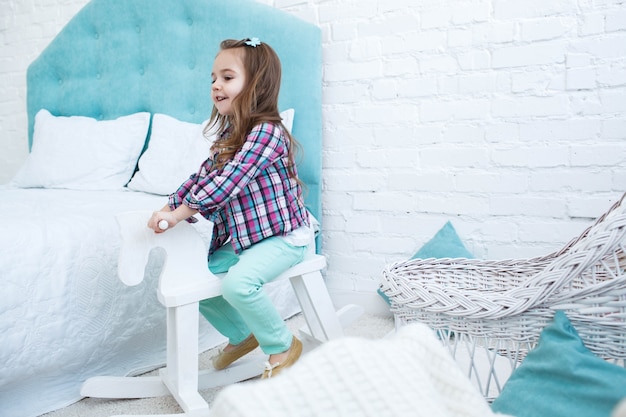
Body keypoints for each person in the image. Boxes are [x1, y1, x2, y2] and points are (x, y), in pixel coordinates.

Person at [147, 38, 312, 379]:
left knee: (238, 284)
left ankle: (282, 344)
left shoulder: (267, 133)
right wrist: (168, 207)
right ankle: (242, 334)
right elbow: (201, 178)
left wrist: (180, 215)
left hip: (285, 238)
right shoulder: (229, 136)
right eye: (213, 79)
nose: (216, 85)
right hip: (248, 241)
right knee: (194, 272)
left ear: (256, 84)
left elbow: (230, 182)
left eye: (227, 77)